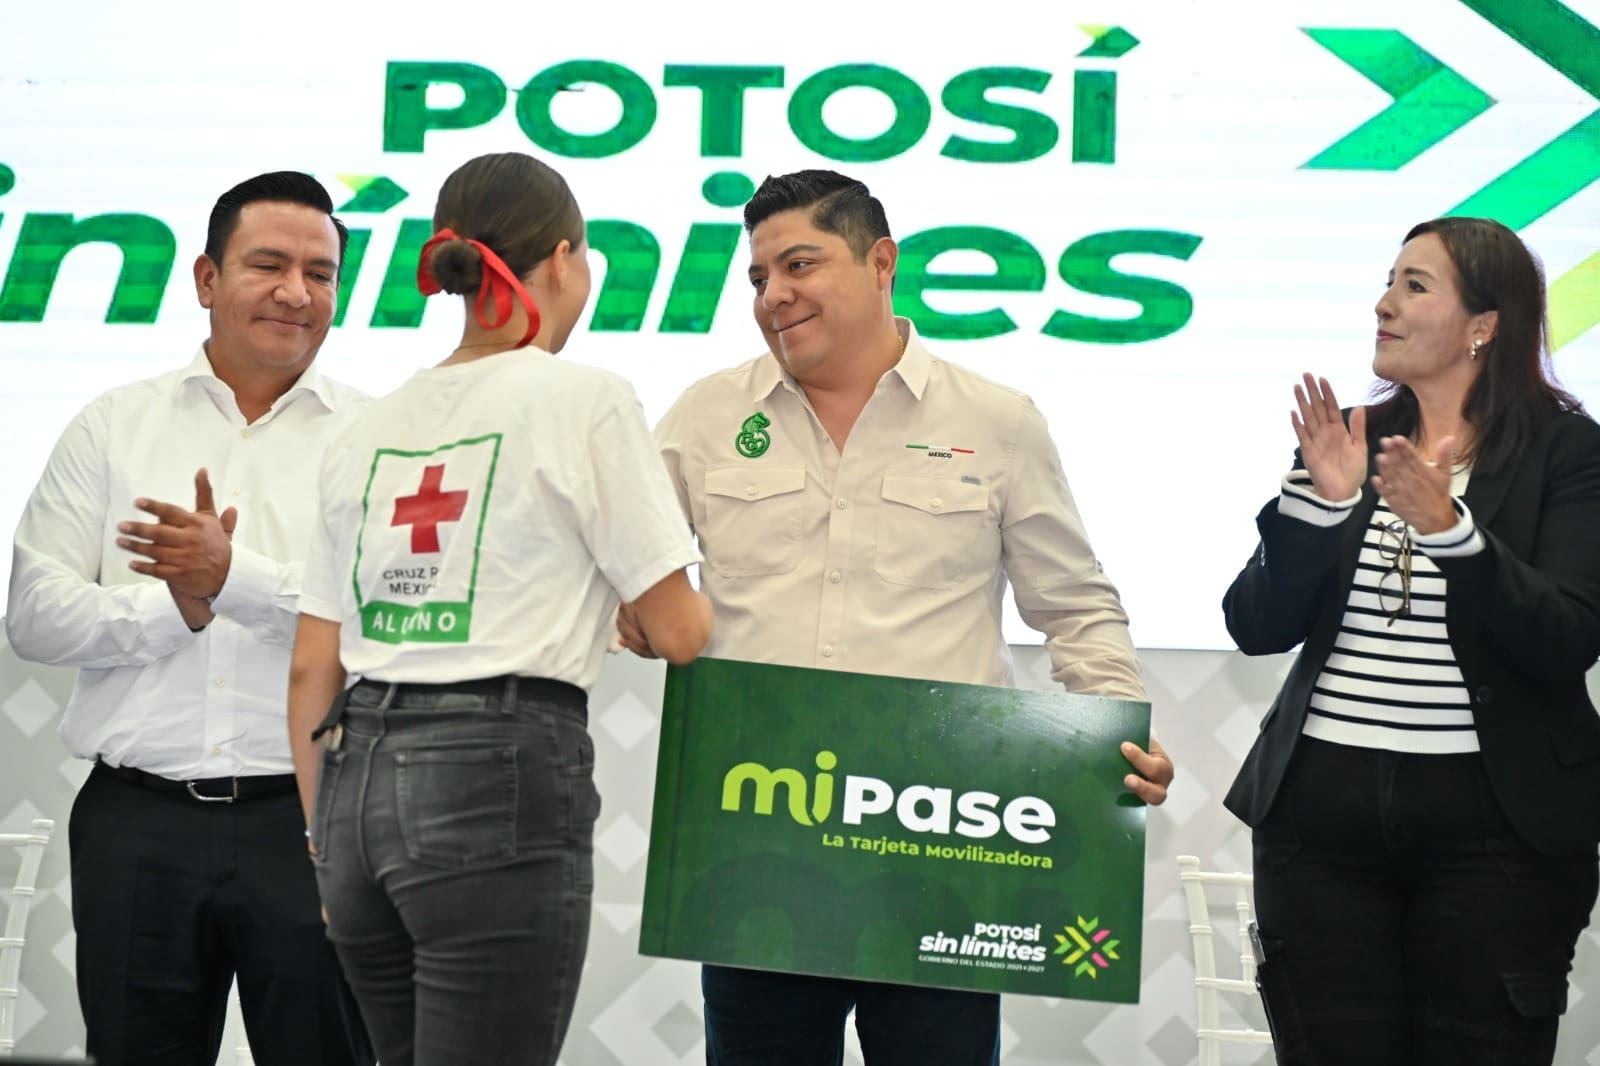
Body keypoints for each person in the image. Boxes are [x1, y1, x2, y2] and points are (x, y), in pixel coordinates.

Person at [618, 169, 1172, 1066]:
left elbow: (1074, 603)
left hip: (940, 846)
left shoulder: (997, 421)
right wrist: (637, 617)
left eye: (800, 264)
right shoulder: (707, 416)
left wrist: (1116, 726)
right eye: (758, 276)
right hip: (757, 837)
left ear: (881, 263)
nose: (773, 294)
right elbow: (623, 573)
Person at [287, 151, 712, 1066]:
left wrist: (325, 845)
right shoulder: (584, 397)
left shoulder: (363, 425)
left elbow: (311, 664)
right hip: (493, 779)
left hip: (354, 795)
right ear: (561, 260)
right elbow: (680, 630)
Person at [5, 172, 373, 1065]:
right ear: (207, 278)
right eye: (269, 265)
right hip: (137, 824)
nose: (296, 292)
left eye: (320, 273)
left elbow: (383, 626)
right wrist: (175, 605)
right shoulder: (113, 425)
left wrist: (234, 578)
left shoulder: (377, 438)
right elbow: (35, 618)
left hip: (314, 824)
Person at [1222, 217, 1600, 1065]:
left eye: (1414, 286)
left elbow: (1566, 635)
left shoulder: (1567, 452)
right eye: (1388, 282)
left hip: (1495, 835)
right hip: (1320, 827)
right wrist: (1318, 509)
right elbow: (1255, 625)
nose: (1384, 305)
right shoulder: (1348, 439)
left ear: (1484, 324)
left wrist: (1453, 534)